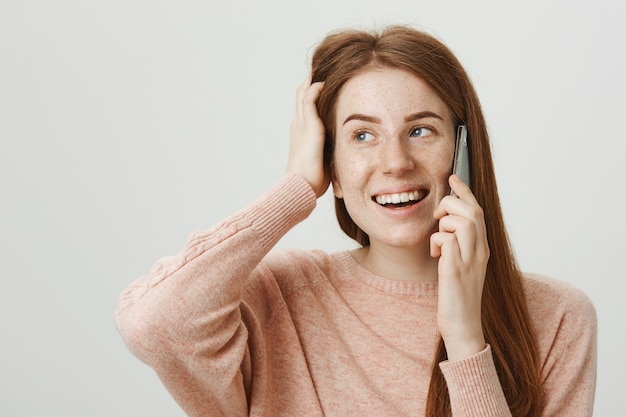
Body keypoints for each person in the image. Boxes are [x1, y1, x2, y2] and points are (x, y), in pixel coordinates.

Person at [114, 25, 597, 416]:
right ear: (333, 170)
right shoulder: (276, 297)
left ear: (464, 152)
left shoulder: (556, 318)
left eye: (421, 130)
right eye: (362, 136)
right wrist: (295, 189)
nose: (395, 162)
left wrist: (465, 338)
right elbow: (154, 323)